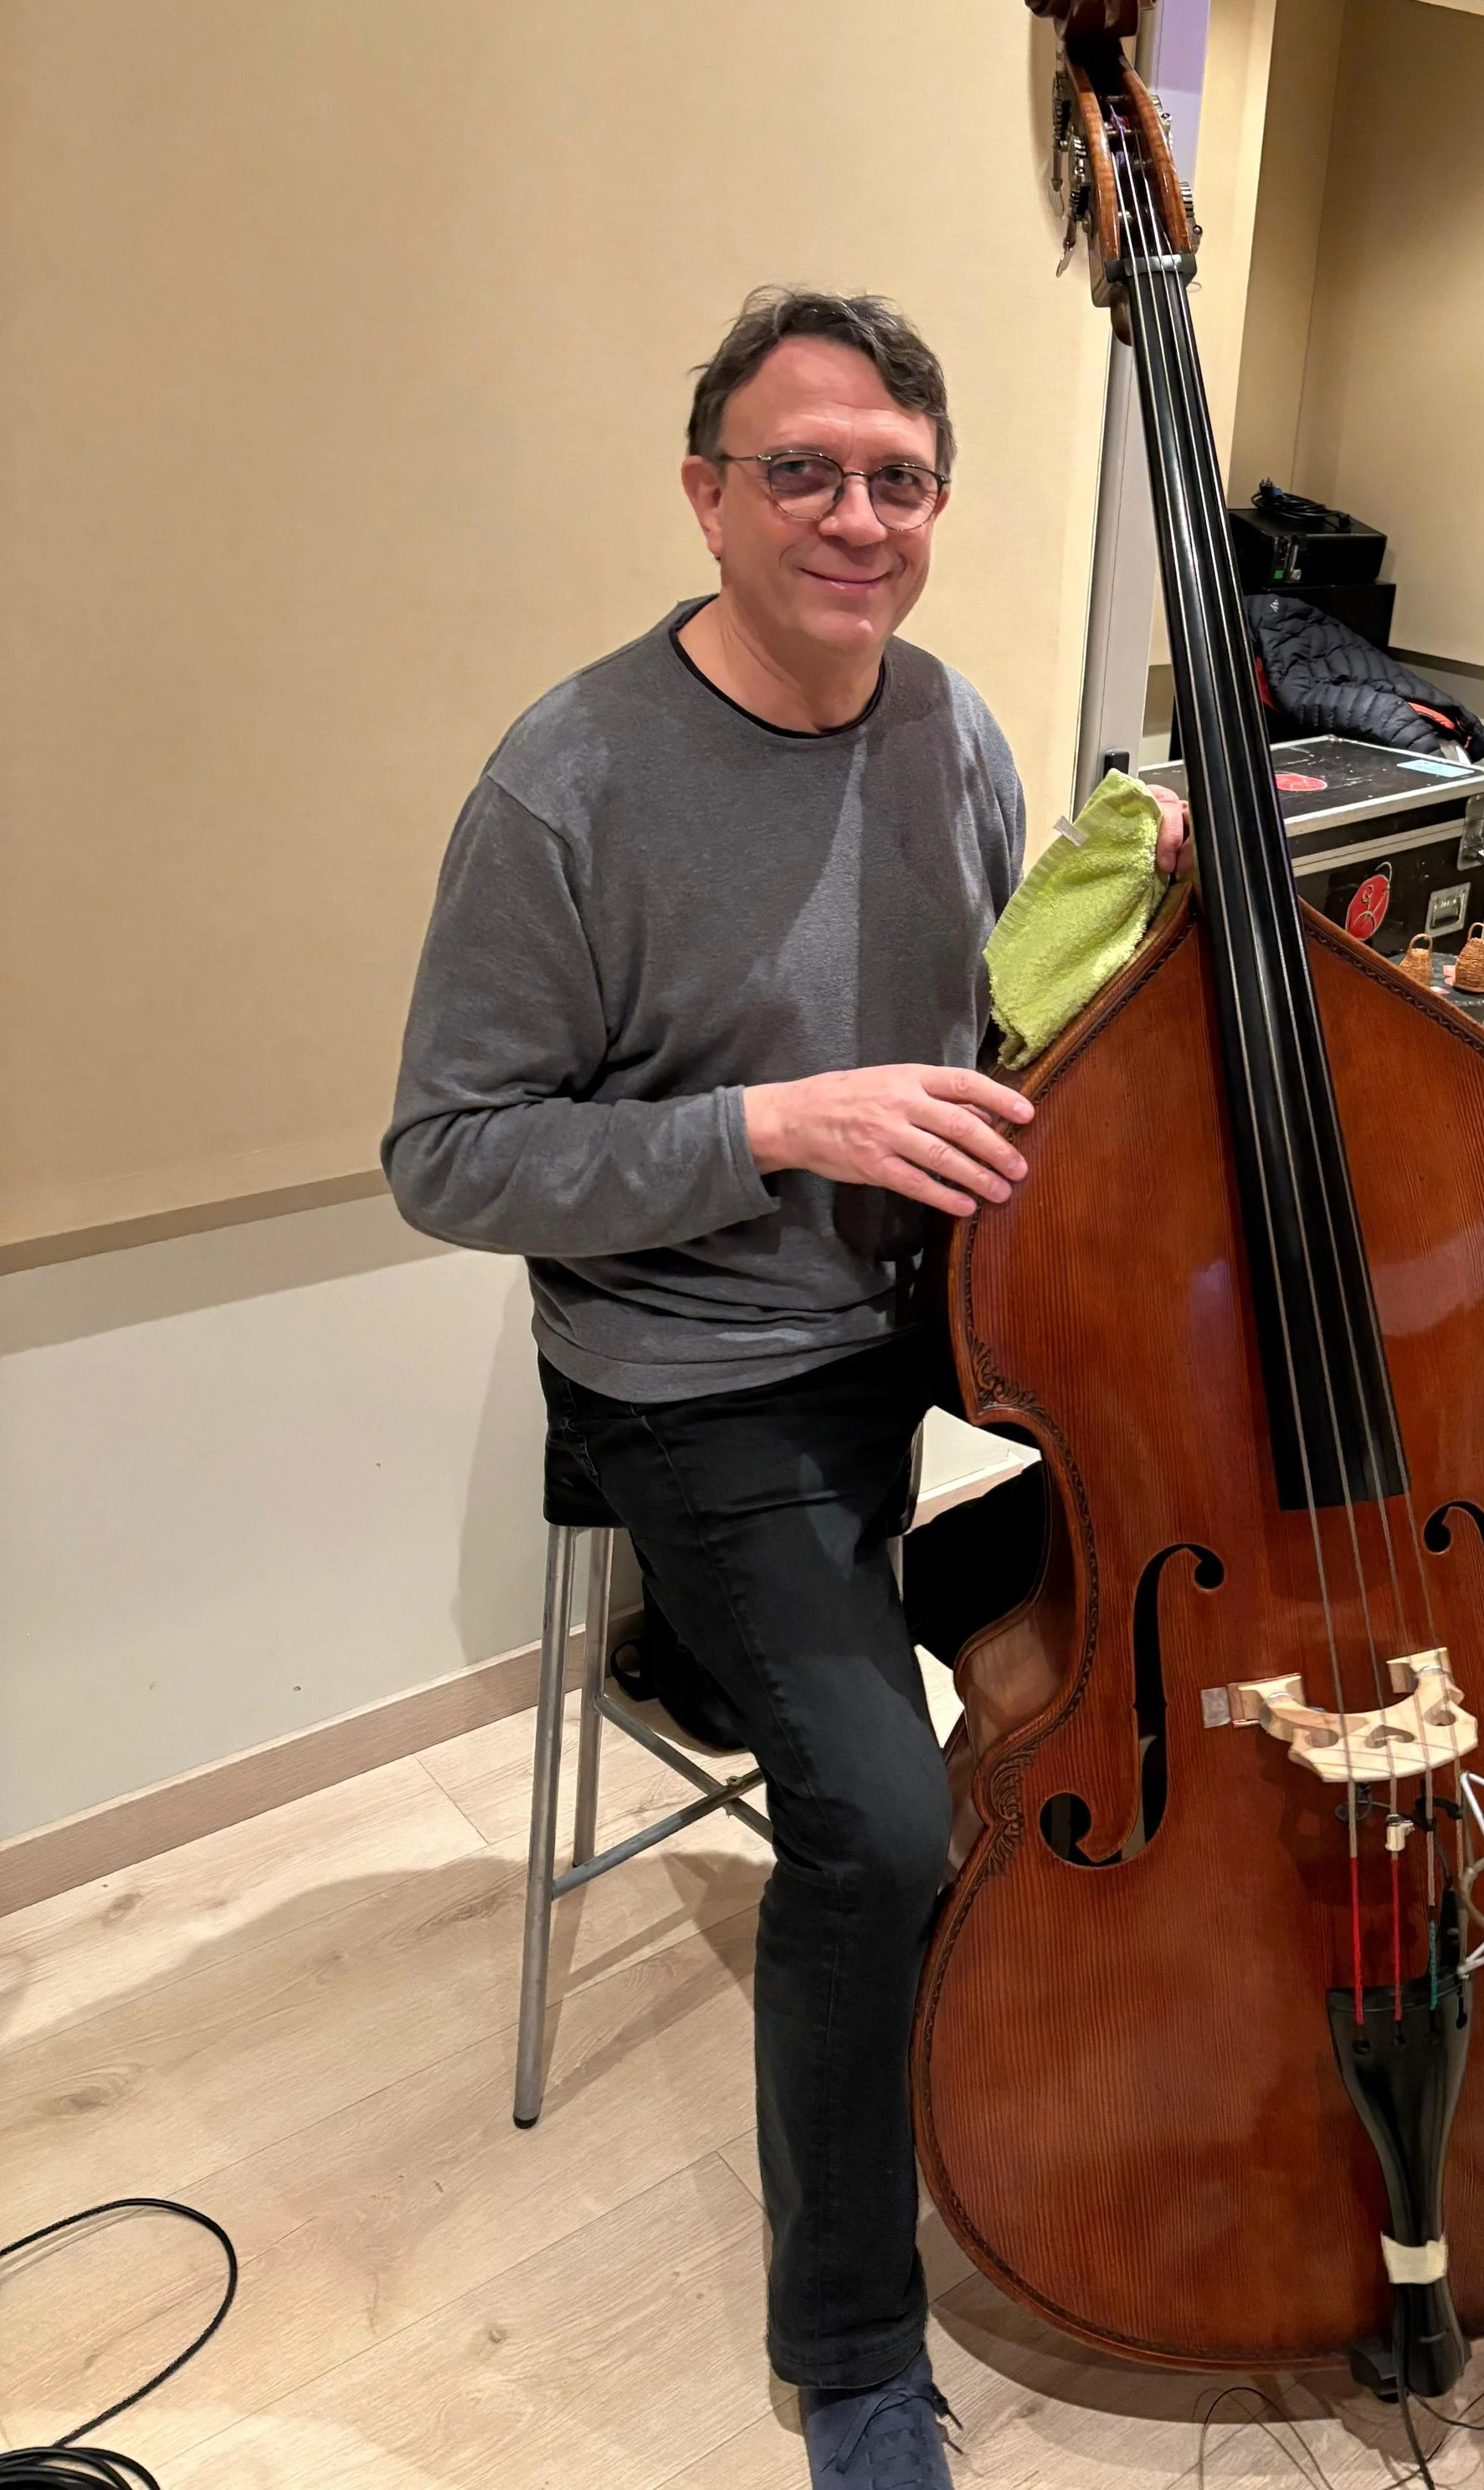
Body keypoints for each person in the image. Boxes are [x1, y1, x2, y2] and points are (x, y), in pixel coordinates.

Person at [384, 287, 1182, 2489]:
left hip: (919, 1324)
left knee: (1234, 1508)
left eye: (897, 478)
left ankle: (790, 1645)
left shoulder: (954, 727)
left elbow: (998, 1024)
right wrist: (773, 1122)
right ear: (708, 492)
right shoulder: (569, 778)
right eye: (804, 468)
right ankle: (852, 2351)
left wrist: (1133, 965)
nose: (856, 514)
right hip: (694, 1373)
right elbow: (446, 1154)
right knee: (886, 1816)